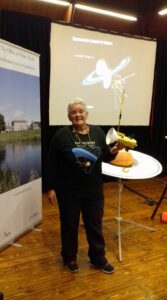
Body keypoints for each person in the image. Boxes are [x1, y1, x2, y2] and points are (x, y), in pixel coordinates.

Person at [47, 98, 123, 274]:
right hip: (68, 192)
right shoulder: (61, 135)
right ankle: (69, 257)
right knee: (69, 226)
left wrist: (113, 152)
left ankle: (98, 257)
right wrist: (50, 188)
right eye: (74, 112)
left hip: (93, 191)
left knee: (94, 225)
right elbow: (51, 163)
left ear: (86, 114)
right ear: (69, 117)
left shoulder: (97, 132)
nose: (78, 114)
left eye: (80, 111)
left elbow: (105, 155)